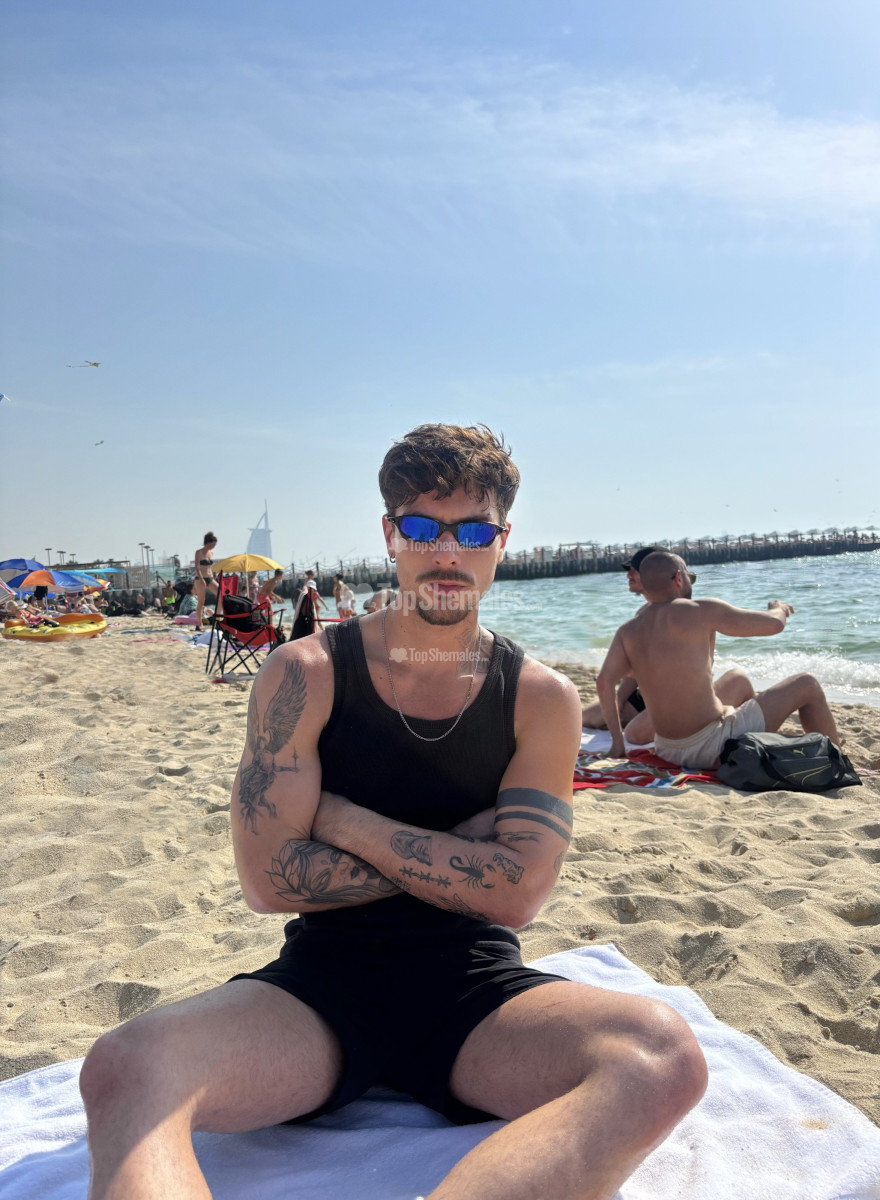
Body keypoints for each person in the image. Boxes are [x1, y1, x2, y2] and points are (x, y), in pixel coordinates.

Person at [79, 424, 707, 1200]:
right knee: (128, 1066)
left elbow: (518, 897)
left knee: (663, 1058)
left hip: (476, 992)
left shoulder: (539, 697)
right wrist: (464, 855)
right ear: (389, 535)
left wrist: (341, 821)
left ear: (502, 542)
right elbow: (268, 882)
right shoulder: (305, 674)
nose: (447, 552)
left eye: (472, 531)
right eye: (421, 527)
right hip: (319, 990)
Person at [597, 550, 840, 768]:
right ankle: (838, 760)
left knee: (737, 677)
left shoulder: (628, 630)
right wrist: (778, 607)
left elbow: (603, 683)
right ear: (678, 578)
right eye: (689, 577)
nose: (690, 582)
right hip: (711, 747)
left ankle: (756, 735)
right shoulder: (700, 610)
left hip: (667, 748)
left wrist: (618, 744)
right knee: (807, 684)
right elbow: (774, 625)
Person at [583, 547, 756, 748]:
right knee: (586, 717)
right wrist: (620, 699)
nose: (629, 576)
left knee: (634, 734)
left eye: (633, 570)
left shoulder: (687, 613)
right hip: (648, 696)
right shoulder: (644, 614)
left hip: (681, 698)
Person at [291, 569, 328, 640]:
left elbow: (320, 599)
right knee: (317, 620)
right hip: (313, 607)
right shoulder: (308, 586)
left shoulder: (313, 592)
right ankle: (322, 630)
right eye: (312, 574)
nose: (313, 575)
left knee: (317, 619)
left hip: (316, 607)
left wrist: (326, 606)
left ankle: (322, 630)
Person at [193, 532, 218, 630]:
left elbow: (210, 567)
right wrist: (202, 579)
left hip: (210, 578)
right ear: (208, 543)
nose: (214, 546)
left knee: (221, 593)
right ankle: (199, 624)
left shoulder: (211, 553)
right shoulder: (199, 552)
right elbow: (197, 567)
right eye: (213, 544)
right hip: (200, 578)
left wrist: (214, 577)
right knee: (201, 601)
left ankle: (217, 617)